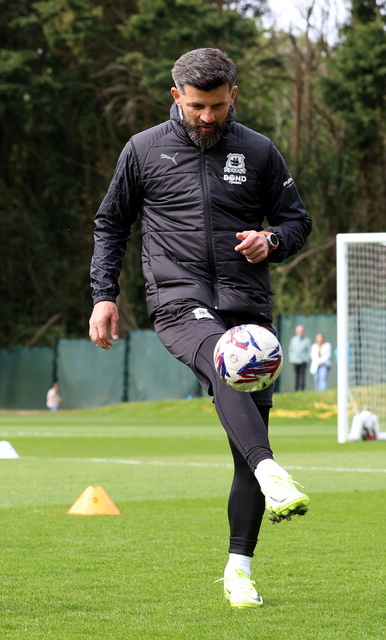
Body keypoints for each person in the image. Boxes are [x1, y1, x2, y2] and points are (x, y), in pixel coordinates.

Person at [88, 48, 312, 609]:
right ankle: (271, 470)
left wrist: (273, 241)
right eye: (195, 107)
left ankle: (240, 569)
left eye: (216, 105)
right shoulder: (143, 149)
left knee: (243, 442)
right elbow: (111, 222)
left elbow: (296, 221)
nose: (206, 117)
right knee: (223, 357)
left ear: (233, 94)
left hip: (249, 306)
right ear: (175, 98)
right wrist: (104, 296)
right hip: (178, 300)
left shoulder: (259, 150)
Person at [287, 325, 311, 392]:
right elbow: (290, 350)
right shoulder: (293, 340)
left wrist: (306, 359)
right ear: (296, 332)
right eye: (299, 331)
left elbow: (309, 350)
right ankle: (296, 390)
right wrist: (291, 358)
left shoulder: (307, 340)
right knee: (296, 376)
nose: (301, 332)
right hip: (295, 361)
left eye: (302, 331)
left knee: (302, 376)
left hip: (303, 361)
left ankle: (302, 390)